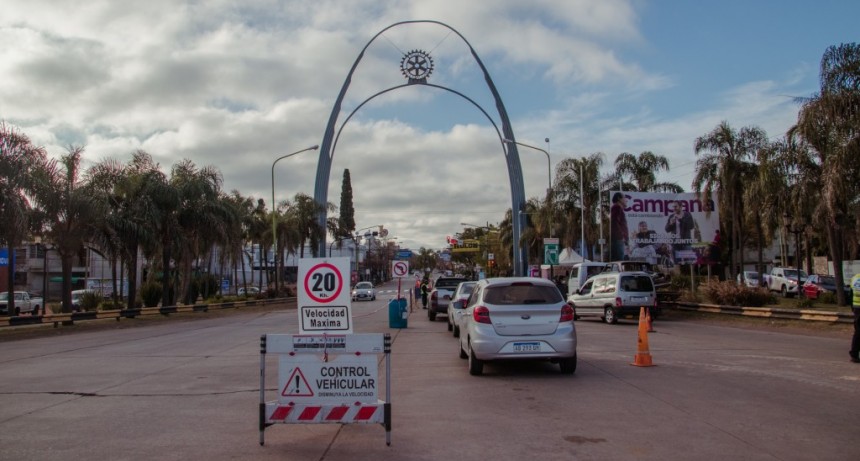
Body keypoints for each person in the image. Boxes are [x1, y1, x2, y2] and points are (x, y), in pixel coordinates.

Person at [609, 192, 629, 261]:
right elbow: (614, 222)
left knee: (619, 260)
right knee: (619, 262)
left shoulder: (618, 208)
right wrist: (621, 236)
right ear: (619, 198)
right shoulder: (616, 207)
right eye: (624, 198)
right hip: (618, 240)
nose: (626, 200)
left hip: (619, 240)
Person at [850, 273, 860, 363]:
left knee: (858, 332)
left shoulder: (855, 278)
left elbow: (851, 294)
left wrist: (852, 308)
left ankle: (854, 354)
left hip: (857, 308)